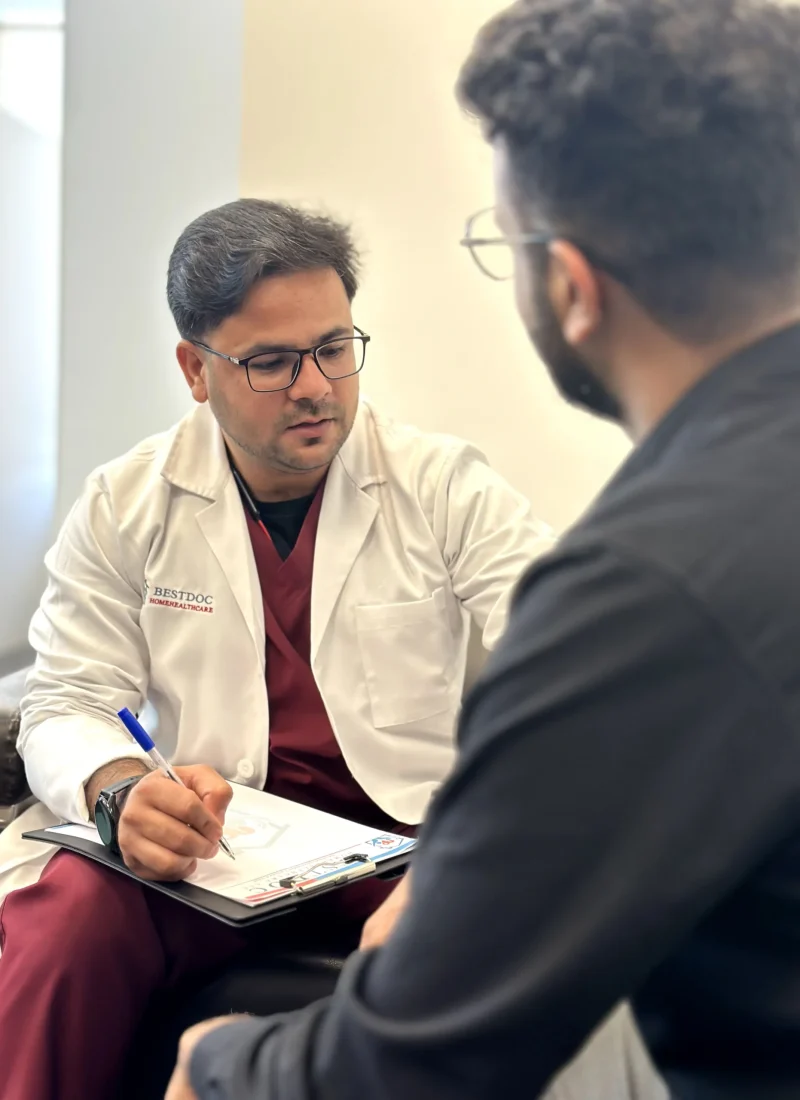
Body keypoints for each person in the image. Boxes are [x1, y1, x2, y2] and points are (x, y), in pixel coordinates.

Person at [165, 1, 800, 1099]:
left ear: (566, 281)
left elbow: (410, 1058)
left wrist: (214, 1066)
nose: (310, 384)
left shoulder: (644, 586)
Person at [0, 198, 552, 1100]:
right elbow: (65, 699)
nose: (315, 386)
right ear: (195, 368)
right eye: (271, 362)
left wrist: (464, 856)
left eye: (335, 348)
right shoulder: (126, 501)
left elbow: (564, 670)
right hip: (220, 848)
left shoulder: (445, 487)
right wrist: (120, 792)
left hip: (402, 847)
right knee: (66, 918)